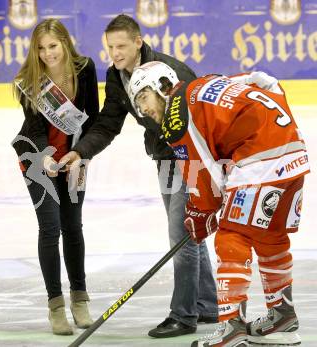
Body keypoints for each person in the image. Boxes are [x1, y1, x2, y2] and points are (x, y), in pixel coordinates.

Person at [59, 14, 218, 337]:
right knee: (190, 232)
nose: (115, 53)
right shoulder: (117, 77)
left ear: (138, 42)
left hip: (192, 157)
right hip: (163, 159)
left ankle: (184, 315)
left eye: (121, 46)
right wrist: (81, 152)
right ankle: (207, 305)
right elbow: (108, 123)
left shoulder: (170, 73)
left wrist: (203, 168)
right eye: (110, 47)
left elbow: (199, 120)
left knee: (181, 233)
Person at [128, 61, 309, 346]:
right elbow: (264, 81)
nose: (144, 110)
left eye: (143, 98)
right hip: (293, 153)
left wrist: (200, 216)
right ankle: (282, 317)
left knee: (231, 235)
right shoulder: (208, 83)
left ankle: (232, 328)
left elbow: (203, 178)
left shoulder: (176, 116)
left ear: (162, 86)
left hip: (259, 159)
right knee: (270, 237)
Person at [11, 19, 99, 336]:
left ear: (65, 43)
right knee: (50, 229)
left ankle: (80, 299)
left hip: (74, 158)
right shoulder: (28, 80)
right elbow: (34, 128)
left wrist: (83, 156)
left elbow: (92, 117)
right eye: (41, 48)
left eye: (53, 46)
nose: (48, 53)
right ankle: (56, 306)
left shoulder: (84, 69)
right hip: (37, 159)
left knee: (72, 226)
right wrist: (45, 156)